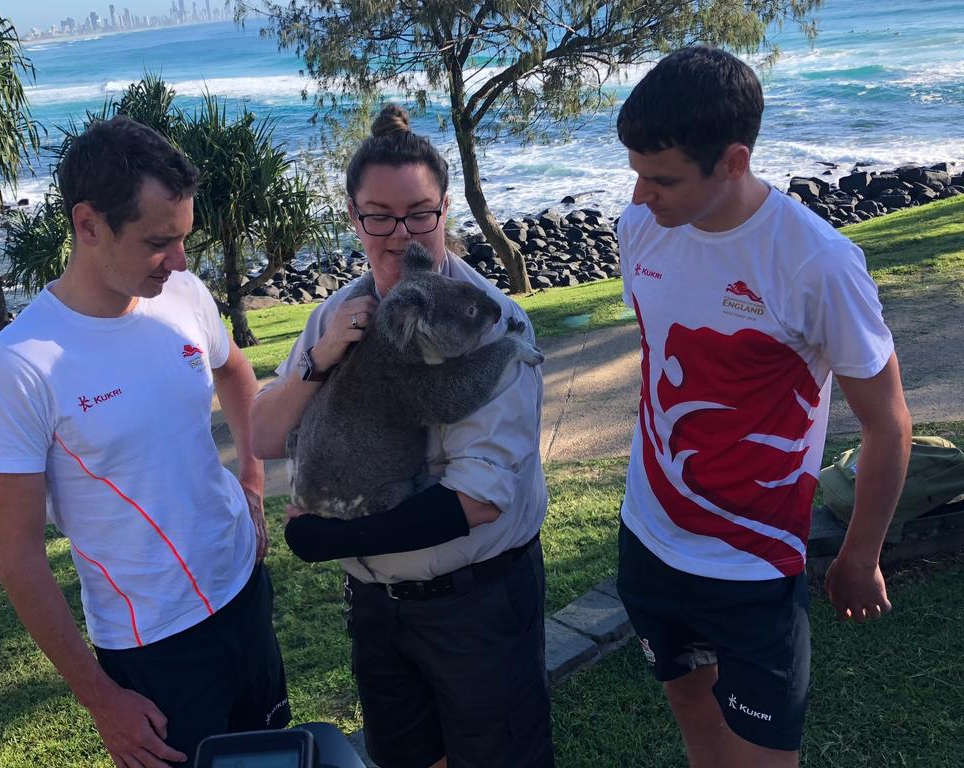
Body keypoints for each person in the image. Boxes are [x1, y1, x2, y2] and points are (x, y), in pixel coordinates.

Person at [612, 47, 912, 768]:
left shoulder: (817, 262)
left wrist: (861, 554)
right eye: (633, 172)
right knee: (692, 713)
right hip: (648, 537)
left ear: (734, 161)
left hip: (753, 563)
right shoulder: (640, 228)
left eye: (662, 178)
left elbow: (888, 422)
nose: (639, 196)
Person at [0, 115, 291, 768]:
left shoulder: (184, 295)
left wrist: (253, 484)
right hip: (153, 648)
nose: (179, 261)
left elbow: (234, 370)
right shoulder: (21, 364)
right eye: (158, 242)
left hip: (245, 592)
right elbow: (19, 559)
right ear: (88, 225)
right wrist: (100, 698)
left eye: (184, 239)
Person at [251, 104, 554, 768]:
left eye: (419, 213)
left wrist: (333, 539)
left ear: (445, 210)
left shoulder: (486, 325)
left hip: (475, 601)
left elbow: (478, 501)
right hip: (378, 606)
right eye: (379, 216)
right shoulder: (339, 311)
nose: (399, 235)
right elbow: (266, 435)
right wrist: (318, 359)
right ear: (355, 219)